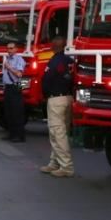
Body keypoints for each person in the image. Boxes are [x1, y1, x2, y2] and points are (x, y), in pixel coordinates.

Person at [40, 35, 76, 177]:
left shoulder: (56, 61)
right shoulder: (69, 60)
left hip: (56, 99)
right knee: (62, 132)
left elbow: (48, 79)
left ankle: (66, 166)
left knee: (57, 133)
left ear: (55, 45)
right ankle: (54, 162)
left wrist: (45, 94)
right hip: (67, 97)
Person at [1, 41, 28, 142]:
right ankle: (11, 134)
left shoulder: (19, 59)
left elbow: (19, 74)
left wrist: (9, 67)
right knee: (9, 112)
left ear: (16, 49)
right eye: (8, 48)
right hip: (8, 87)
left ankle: (19, 135)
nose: (9, 50)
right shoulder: (7, 59)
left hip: (16, 87)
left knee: (17, 112)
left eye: (11, 48)